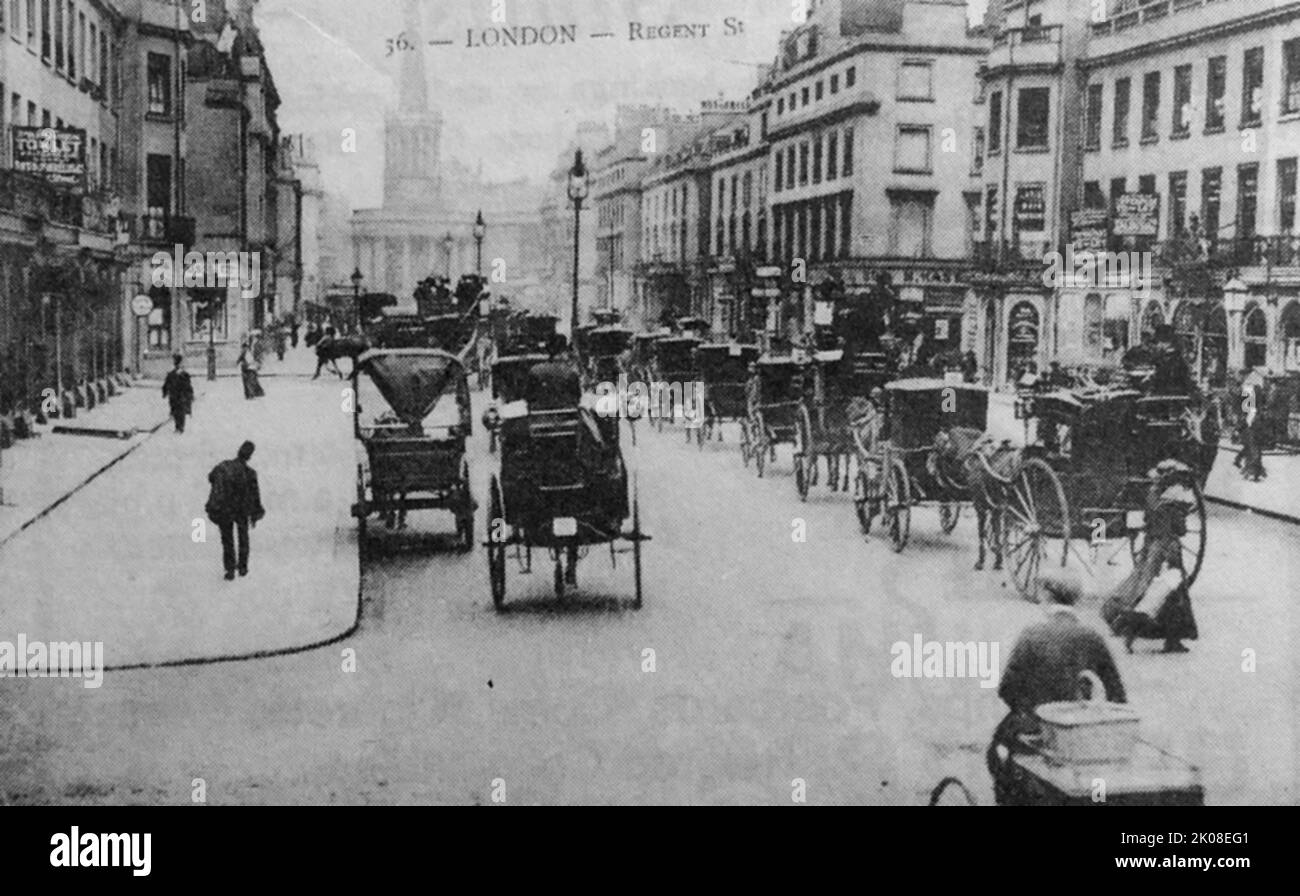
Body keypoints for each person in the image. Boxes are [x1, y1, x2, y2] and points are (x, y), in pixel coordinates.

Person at [988, 568, 1127, 804]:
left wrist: (1030, 708)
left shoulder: (1032, 635)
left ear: (1047, 596)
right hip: (1083, 731)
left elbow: (1007, 689)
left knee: (996, 756)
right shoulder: (1092, 636)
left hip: (1036, 726)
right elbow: (1117, 696)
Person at [1101, 462, 1199, 653]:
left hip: (1151, 545)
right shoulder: (1174, 500)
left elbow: (1146, 520)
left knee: (1144, 583)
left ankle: (1125, 622)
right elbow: (1180, 529)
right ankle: (1170, 639)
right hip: (1168, 550)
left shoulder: (1153, 494)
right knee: (1172, 594)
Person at [205, 441, 265, 580]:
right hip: (241, 510)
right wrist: (256, 513)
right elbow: (255, 495)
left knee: (227, 540)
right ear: (249, 456)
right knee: (243, 537)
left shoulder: (223, 466)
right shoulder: (250, 473)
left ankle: (230, 569)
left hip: (224, 509)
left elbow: (210, 477)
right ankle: (243, 567)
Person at [1236, 368, 1267, 481]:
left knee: (1251, 446)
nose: (1237, 378)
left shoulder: (1248, 388)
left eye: (1239, 376)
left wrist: (1247, 423)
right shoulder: (1257, 387)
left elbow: (1250, 409)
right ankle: (1256, 470)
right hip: (1258, 421)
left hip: (1251, 421)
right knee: (1256, 447)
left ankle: (1252, 471)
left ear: (1244, 376)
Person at [161, 354, 194, 433]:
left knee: (180, 411)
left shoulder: (182, 374)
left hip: (180, 396)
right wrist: (165, 391)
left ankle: (180, 427)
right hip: (175, 396)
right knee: (176, 411)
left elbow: (188, 386)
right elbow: (166, 384)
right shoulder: (172, 373)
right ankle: (178, 427)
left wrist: (165, 392)